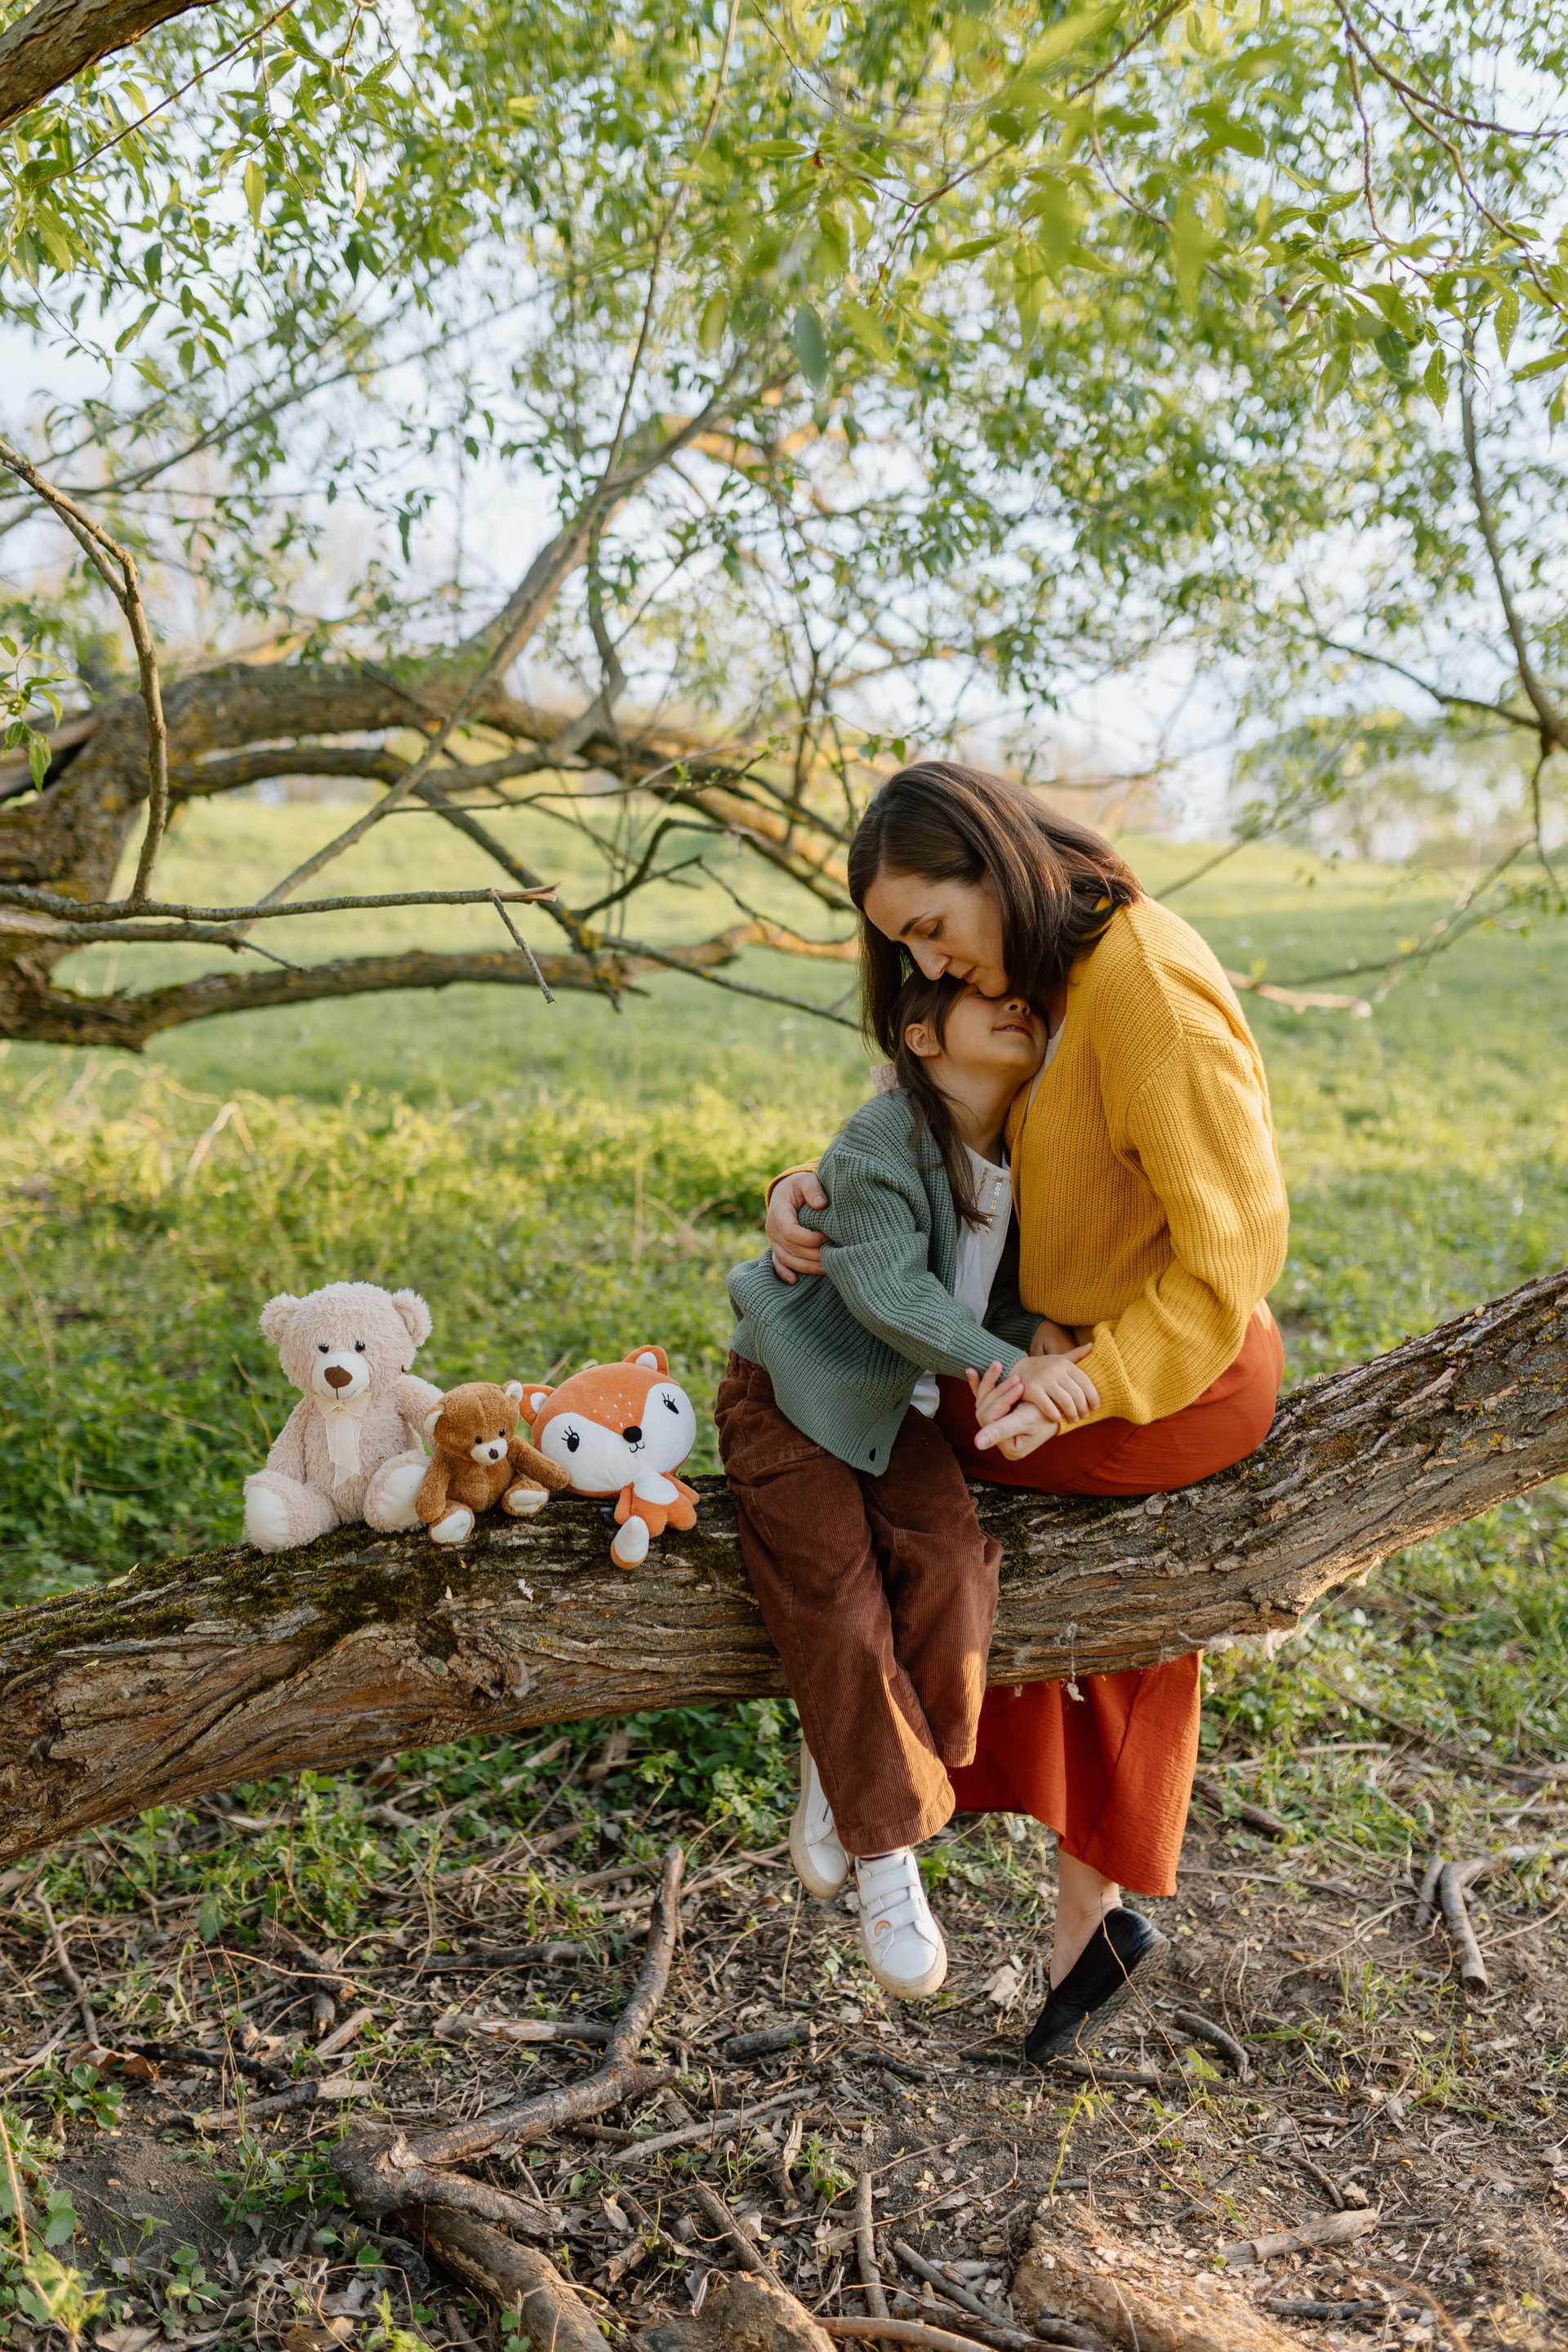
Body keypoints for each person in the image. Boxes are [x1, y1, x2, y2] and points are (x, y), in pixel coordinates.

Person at [766, 760, 1288, 2060]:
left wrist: (1084, 1382)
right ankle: (1086, 1921)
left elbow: (1233, 1257)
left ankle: (853, 1748)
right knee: (1044, 1515)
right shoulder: (1045, 972)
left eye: (931, 926)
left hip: (1174, 1366)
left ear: (993, 863)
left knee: (852, 1411)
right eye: (904, 947)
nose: (928, 964)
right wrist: (812, 1195)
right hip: (1054, 1340)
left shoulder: (1142, 987)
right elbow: (948, 1133)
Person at [717, 970, 1099, 2004]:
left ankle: (841, 1752)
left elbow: (997, 1299)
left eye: (1028, 1001)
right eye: (987, 998)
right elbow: (889, 1291)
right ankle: (886, 1859)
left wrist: (1036, 1338)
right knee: (838, 1599)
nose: (1018, 1008)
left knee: (955, 1570)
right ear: (923, 1038)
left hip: (901, 1411)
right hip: (793, 1394)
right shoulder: (881, 1138)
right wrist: (1008, 1366)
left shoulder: (1022, 1154)